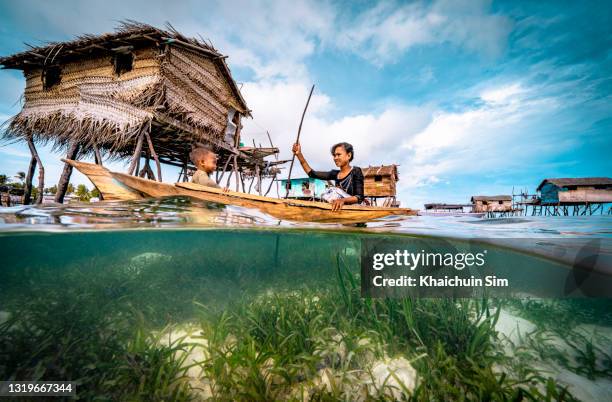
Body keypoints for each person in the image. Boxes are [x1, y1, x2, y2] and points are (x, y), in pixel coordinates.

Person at [292, 142, 364, 211]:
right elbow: (312, 174)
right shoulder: (335, 174)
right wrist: (299, 155)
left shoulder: (356, 171)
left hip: (354, 206)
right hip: (340, 206)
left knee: (335, 190)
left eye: (338, 155)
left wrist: (342, 200)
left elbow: (359, 197)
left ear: (349, 155)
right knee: (330, 191)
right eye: (334, 155)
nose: (335, 158)